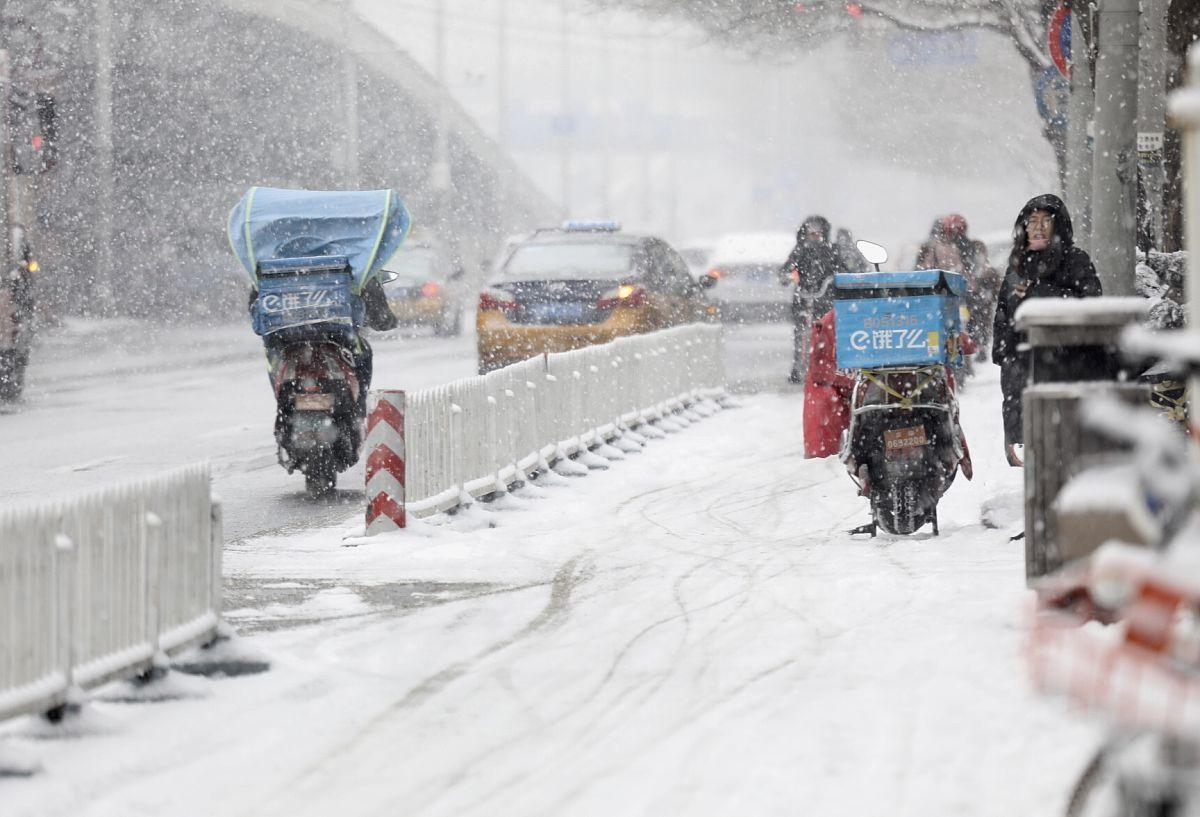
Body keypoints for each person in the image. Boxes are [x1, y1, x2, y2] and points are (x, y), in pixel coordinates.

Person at [992, 194, 1102, 467]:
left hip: (1069, 369)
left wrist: (1041, 292)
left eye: (1046, 221)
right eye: (1032, 221)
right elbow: (1005, 315)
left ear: (1058, 226)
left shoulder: (1076, 260)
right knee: (1038, 457)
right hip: (1028, 371)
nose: (1038, 227)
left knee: (1070, 451)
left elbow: (1091, 303)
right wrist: (1003, 353)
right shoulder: (1017, 265)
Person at [915, 214, 1000, 359]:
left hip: (953, 295)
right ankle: (978, 344)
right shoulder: (935, 249)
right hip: (953, 295)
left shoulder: (970, 248)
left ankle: (977, 345)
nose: (956, 236)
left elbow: (984, 269)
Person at [779, 215, 845, 384]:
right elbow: (787, 268)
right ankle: (797, 366)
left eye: (818, 233)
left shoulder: (831, 250)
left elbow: (842, 269)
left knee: (826, 331)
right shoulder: (800, 250)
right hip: (803, 296)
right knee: (800, 331)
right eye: (811, 233)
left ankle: (828, 366)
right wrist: (786, 276)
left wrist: (837, 279)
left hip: (824, 298)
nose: (815, 236)